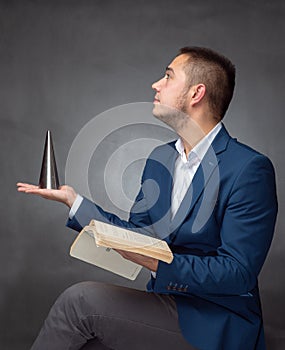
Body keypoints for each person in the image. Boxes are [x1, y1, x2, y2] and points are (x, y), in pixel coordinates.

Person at [17, 47, 278, 350]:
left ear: (197, 93)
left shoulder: (248, 168)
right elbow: (139, 235)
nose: (156, 84)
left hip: (216, 321)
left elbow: (237, 274)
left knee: (80, 301)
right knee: (88, 343)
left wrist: (158, 262)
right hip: (164, 305)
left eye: (168, 76)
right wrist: (74, 202)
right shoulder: (161, 158)